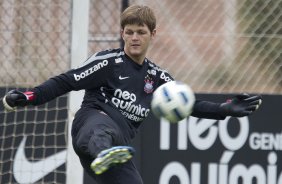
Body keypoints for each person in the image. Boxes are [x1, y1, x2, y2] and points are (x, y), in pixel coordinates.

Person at [2, 5, 262, 184]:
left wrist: (225, 109)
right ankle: (102, 150)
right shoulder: (108, 62)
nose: (134, 38)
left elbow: (189, 104)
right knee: (101, 128)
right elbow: (66, 81)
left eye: (141, 32)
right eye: (129, 32)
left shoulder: (158, 77)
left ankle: (107, 153)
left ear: (153, 35)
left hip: (118, 150)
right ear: (122, 33)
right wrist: (29, 97)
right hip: (91, 126)